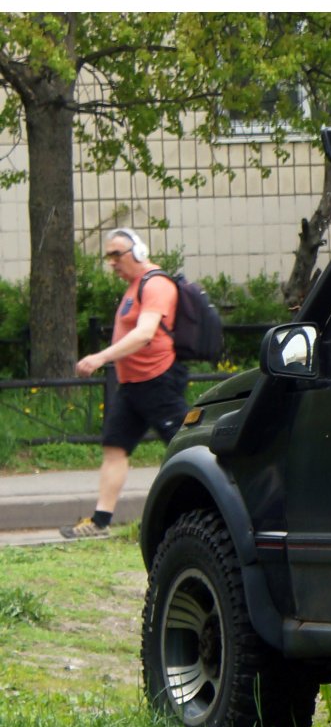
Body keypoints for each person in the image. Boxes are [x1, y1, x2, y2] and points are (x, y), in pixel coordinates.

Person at [60, 228, 190, 539]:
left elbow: (145, 333)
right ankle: (100, 522)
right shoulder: (134, 286)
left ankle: (202, 510)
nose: (112, 263)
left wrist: (101, 357)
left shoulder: (156, 283)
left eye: (117, 255)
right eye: (109, 257)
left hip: (158, 381)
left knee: (186, 447)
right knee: (114, 448)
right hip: (132, 385)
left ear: (139, 253)